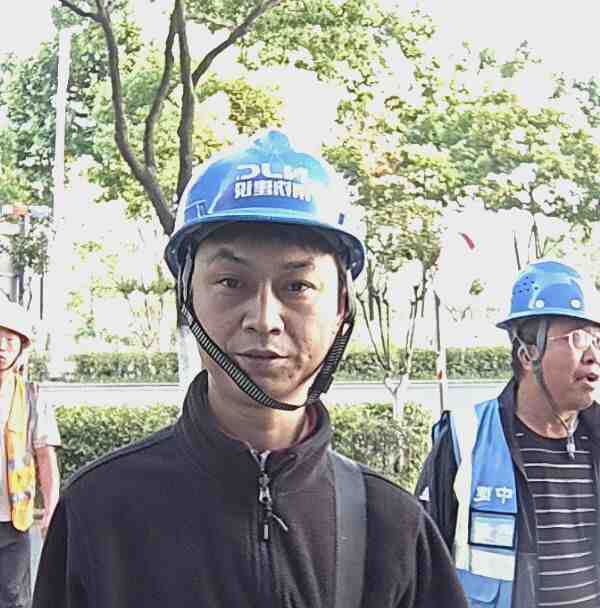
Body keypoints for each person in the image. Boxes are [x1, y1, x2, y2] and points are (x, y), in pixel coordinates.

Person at [32, 130, 466, 608]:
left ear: (342, 305)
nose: (264, 319)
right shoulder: (100, 510)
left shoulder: (394, 528)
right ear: (187, 296)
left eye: (297, 286)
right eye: (230, 281)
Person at [416, 260, 600, 608]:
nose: (593, 355)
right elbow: (419, 566)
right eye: (578, 338)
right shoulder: (465, 439)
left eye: (598, 340)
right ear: (528, 353)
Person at [0, 297, 61, 608]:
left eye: (9, 340)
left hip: (14, 520)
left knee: (13, 599)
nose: (1, 347)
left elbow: (45, 457)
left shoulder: (32, 397)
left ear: (21, 348)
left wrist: (51, 509)